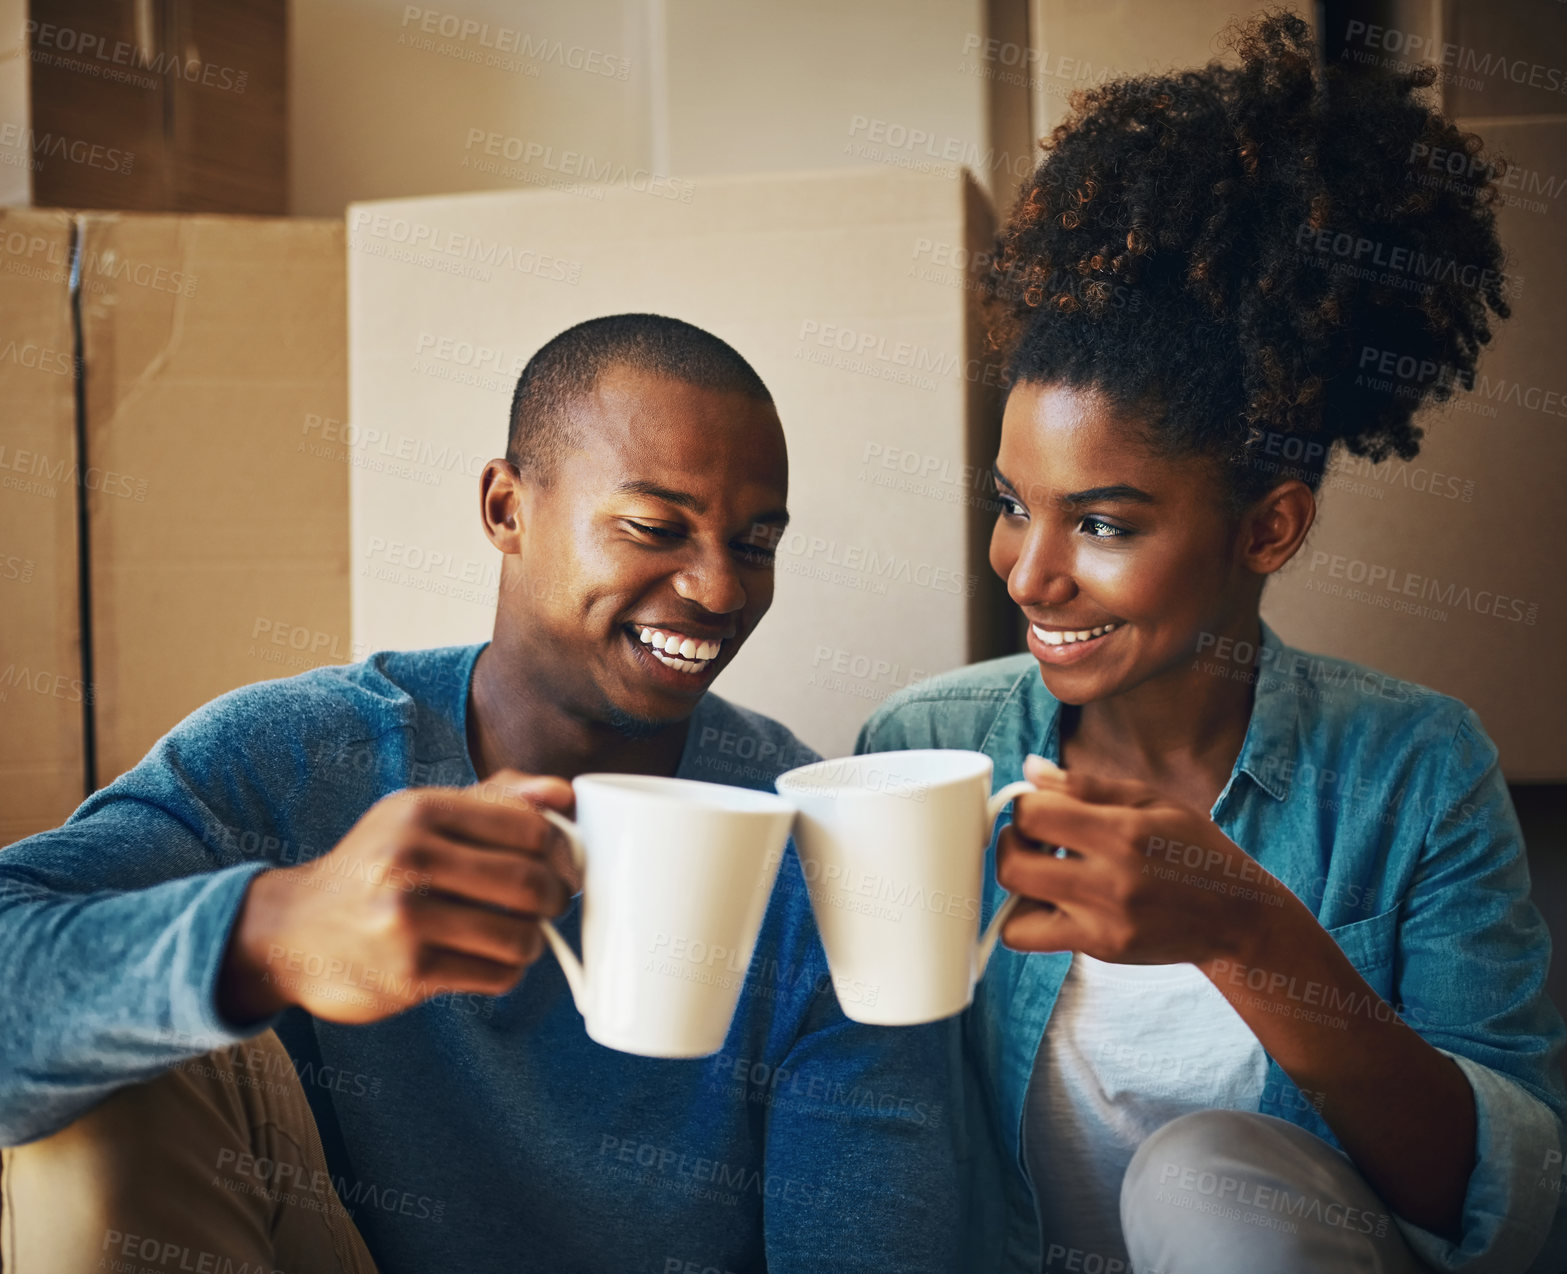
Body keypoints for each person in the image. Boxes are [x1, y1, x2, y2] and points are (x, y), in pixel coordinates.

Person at [0, 314, 963, 1274]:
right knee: (113, 1052)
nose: (718, 592)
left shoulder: (827, 843)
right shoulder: (291, 760)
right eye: (654, 528)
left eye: (754, 544)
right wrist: (270, 935)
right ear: (506, 508)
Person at [856, 14, 1565, 1274]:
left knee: (1204, 1177)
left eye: (1106, 521)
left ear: (1269, 525)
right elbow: (854, 1116)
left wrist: (1248, 930)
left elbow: (1517, 1216)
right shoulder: (922, 748)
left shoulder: (1414, 770)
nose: (1030, 568)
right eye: (1013, 504)